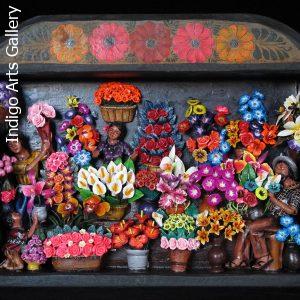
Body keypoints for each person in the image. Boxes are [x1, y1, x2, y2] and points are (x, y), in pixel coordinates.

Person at [227, 154, 300, 270]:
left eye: (284, 166)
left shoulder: (295, 190)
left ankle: (245, 258)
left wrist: (273, 199)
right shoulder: (275, 186)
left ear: (290, 171)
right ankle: (247, 259)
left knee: (250, 227)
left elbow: (293, 210)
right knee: (245, 225)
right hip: (269, 218)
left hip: (281, 221)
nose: (280, 167)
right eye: (278, 166)